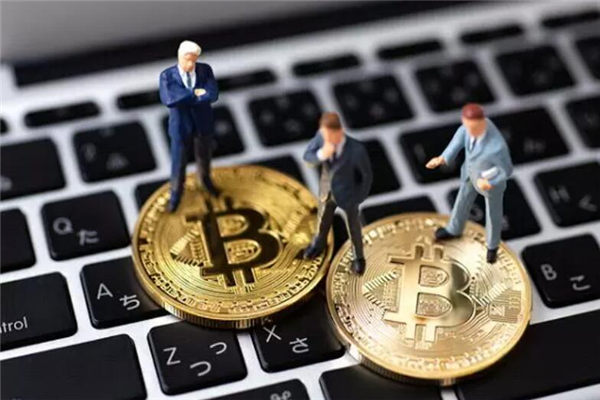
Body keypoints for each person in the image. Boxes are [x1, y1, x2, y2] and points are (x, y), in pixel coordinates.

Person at [426, 103, 513, 263]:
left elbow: (506, 169)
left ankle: (492, 246)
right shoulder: (465, 130)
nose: (469, 130)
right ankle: (454, 229)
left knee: (493, 215)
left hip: (490, 185)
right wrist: (441, 159)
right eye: (466, 125)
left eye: (473, 127)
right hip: (469, 175)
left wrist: (491, 181)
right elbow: (455, 145)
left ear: (482, 122)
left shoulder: (497, 146)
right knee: (461, 201)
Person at [303, 112, 373, 274]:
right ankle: (318, 244)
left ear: (339, 132)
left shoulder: (356, 149)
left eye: (328, 135)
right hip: (326, 191)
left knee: (353, 227)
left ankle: (358, 257)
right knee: (322, 221)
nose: (325, 138)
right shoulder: (321, 139)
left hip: (348, 195)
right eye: (323, 134)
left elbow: (366, 175)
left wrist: (359, 196)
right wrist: (321, 154)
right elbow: (308, 157)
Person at [159, 40, 219, 212]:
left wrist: (186, 96)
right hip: (180, 127)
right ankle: (176, 194)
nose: (191, 63)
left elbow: (212, 94)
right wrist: (195, 94)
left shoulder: (205, 70)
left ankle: (206, 182)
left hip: (203, 124)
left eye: (194, 59)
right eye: (188, 59)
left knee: (204, 158)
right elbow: (170, 99)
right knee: (178, 164)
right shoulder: (167, 75)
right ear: (180, 56)